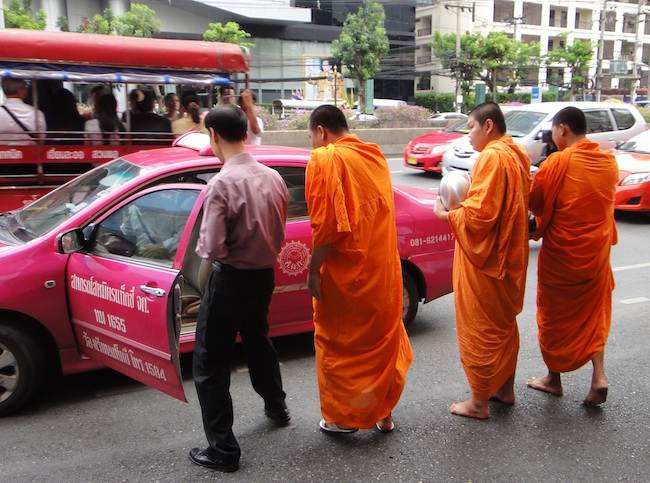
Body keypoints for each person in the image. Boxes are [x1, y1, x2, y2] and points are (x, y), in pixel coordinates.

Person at [189, 104, 289, 473]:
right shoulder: (273, 177)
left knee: (210, 361)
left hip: (230, 278)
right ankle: (277, 407)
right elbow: (279, 230)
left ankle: (224, 450)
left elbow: (212, 248)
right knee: (257, 339)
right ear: (245, 132)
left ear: (214, 135)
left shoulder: (221, 184)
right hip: (263, 275)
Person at [305, 105, 413, 434]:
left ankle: (344, 418)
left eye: (311, 137)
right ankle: (383, 413)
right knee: (381, 342)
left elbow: (329, 228)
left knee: (342, 347)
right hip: (382, 273)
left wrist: (313, 270)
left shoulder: (325, 159)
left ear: (321, 132)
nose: (312, 144)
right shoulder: (374, 155)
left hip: (348, 278)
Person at [433, 101, 531, 420]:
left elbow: (479, 216)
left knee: (481, 327)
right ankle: (505, 388)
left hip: (487, 260)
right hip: (510, 258)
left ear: (488, 126)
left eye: (472, 127)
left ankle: (478, 402)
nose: (469, 136)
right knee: (503, 326)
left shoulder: (492, 155)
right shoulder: (517, 153)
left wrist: (447, 214)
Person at [526, 107, 617, 406]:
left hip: (563, 257)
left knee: (553, 315)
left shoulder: (558, 163)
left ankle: (553, 379)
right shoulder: (607, 162)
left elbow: (536, 202)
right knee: (594, 314)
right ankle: (599, 377)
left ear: (562, 129)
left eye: (553, 130)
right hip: (595, 255)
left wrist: (531, 179)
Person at [0, 77, 47, 145]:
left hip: (4, 154)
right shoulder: (37, 114)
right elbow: (41, 139)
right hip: (31, 154)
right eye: (25, 88)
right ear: (20, 91)